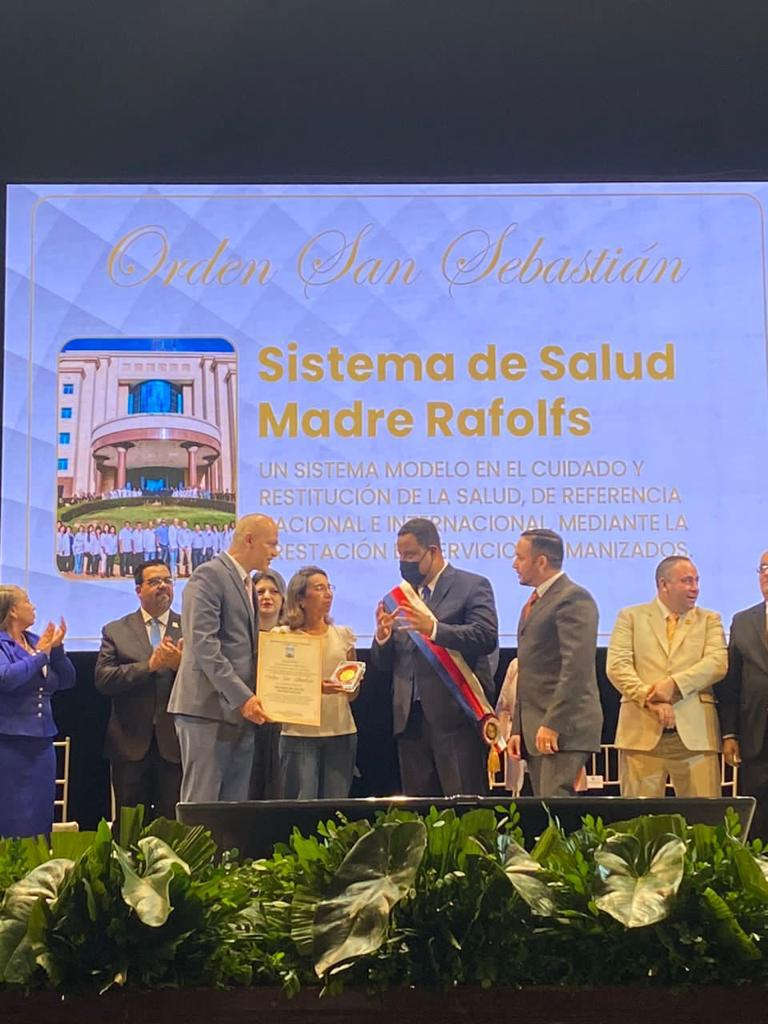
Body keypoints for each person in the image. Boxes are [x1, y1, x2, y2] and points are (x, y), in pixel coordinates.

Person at [371, 517, 498, 796]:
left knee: (464, 807)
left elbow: (485, 636)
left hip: (456, 717)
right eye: (401, 556)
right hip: (410, 721)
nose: (405, 563)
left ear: (434, 551)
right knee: (420, 814)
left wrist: (435, 630)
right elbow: (384, 664)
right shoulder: (399, 598)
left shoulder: (472, 585)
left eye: (411, 555)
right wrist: (383, 637)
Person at [167, 513, 278, 803]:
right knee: (202, 807)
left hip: (240, 713)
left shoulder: (247, 584)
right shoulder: (209, 575)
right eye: (271, 544)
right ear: (249, 539)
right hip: (207, 710)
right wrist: (243, 697)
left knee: (233, 810)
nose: (275, 552)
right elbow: (204, 644)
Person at [606, 555, 727, 798]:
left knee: (705, 823)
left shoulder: (710, 620)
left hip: (695, 737)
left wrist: (673, 685)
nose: (695, 588)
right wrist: (650, 698)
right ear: (663, 584)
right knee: (639, 825)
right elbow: (617, 666)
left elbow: (717, 664)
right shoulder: (630, 617)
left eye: (696, 581)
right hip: (641, 735)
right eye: (687, 581)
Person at [510, 528, 602, 798]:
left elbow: (577, 668)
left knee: (556, 815)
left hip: (562, 730)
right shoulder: (536, 602)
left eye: (520, 558)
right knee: (545, 812)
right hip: (536, 729)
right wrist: (518, 728)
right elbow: (529, 672)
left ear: (541, 561)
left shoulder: (573, 598)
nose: (515, 565)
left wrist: (553, 723)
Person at [94, 560, 183, 821]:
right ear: (138, 590)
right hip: (130, 744)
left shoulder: (191, 626)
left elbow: (208, 682)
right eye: (155, 581)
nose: (163, 586)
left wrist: (181, 666)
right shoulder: (116, 630)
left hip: (176, 744)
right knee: (129, 826)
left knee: (174, 823)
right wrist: (149, 666)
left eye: (167, 580)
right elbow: (103, 679)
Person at [276, 566, 359, 800]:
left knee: (336, 808)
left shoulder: (343, 635)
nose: (328, 594)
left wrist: (351, 685)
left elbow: (352, 694)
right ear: (300, 599)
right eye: (319, 588)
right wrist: (316, 688)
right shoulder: (282, 636)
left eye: (329, 587)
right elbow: (277, 688)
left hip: (341, 732)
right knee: (301, 808)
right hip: (298, 734)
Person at [0, 587, 74, 837]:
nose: (33, 607)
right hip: (8, 742)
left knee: (41, 810)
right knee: (11, 811)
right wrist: (42, 654)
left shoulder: (33, 640)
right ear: (12, 610)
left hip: (42, 742)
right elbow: (7, 679)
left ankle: (38, 867)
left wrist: (58, 650)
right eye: (28, 601)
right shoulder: (3, 644)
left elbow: (66, 681)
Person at [718, 552, 768, 838]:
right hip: (755, 738)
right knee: (757, 822)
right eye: (763, 568)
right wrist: (729, 734)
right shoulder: (743, 620)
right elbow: (731, 684)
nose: (766, 574)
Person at [250, 569, 287, 799]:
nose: (266, 596)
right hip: (247, 722)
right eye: (260, 591)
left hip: (283, 724)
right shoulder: (239, 637)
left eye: (274, 591)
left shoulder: (295, 637)